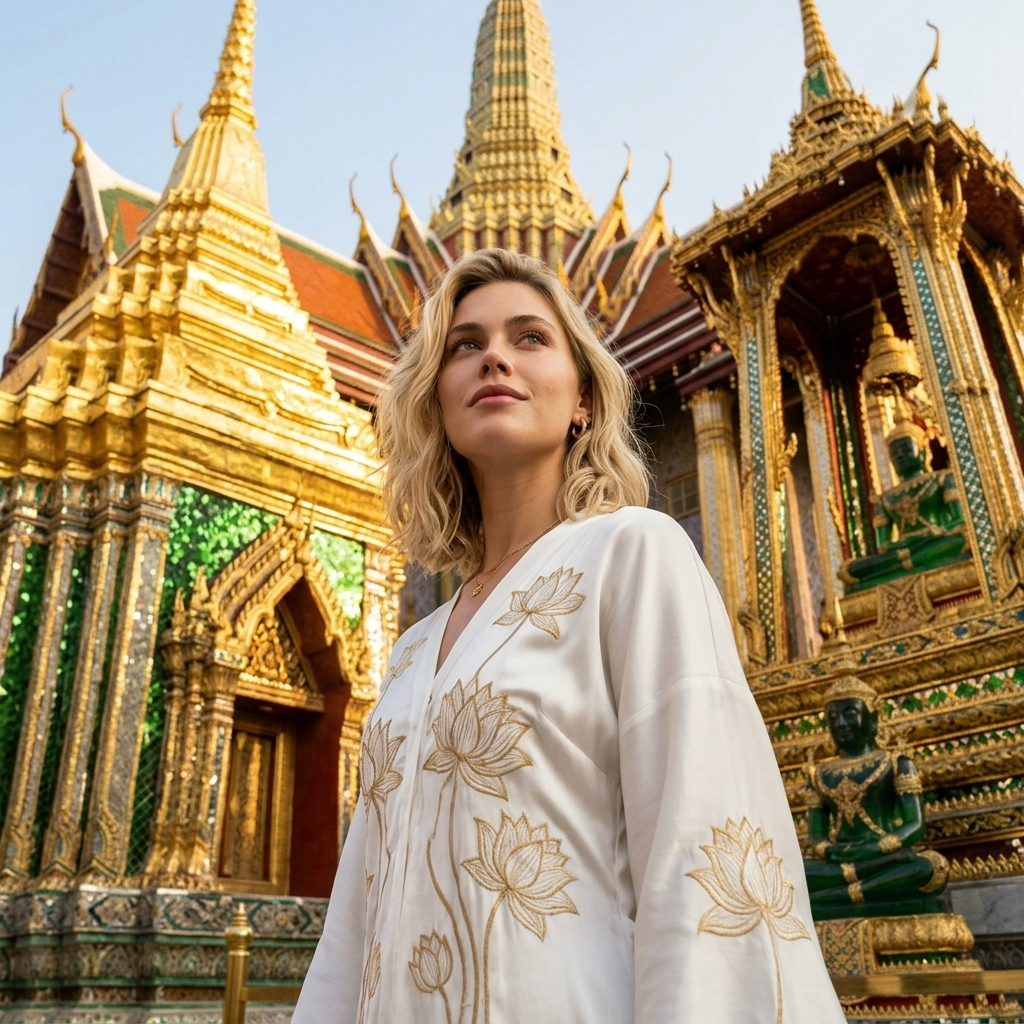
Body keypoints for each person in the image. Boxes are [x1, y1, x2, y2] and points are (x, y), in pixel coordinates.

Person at [292, 249, 843, 1024]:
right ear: (439, 404)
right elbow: (356, 918)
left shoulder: (632, 555)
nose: (493, 357)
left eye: (529, 338)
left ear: (582, 397)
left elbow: (705, 853)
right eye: (464, 345)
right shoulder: (413, 649)